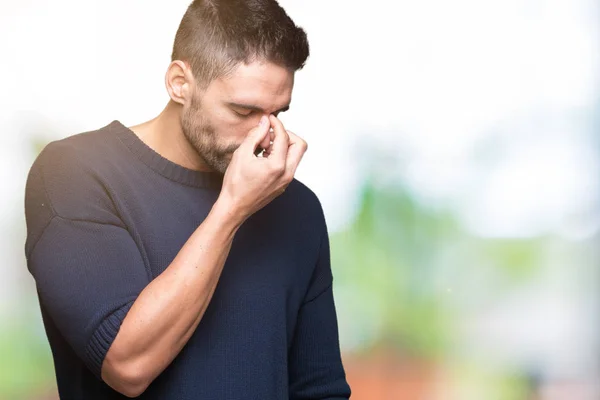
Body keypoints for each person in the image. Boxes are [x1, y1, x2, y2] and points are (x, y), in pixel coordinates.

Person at [24, 0, 351, 399]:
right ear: (180, 82)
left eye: (277, 113)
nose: (264, 136)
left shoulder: (295, 207)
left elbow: (321, 388)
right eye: (244, 110)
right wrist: (233, 209)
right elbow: (128, 365)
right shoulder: (75, 173)